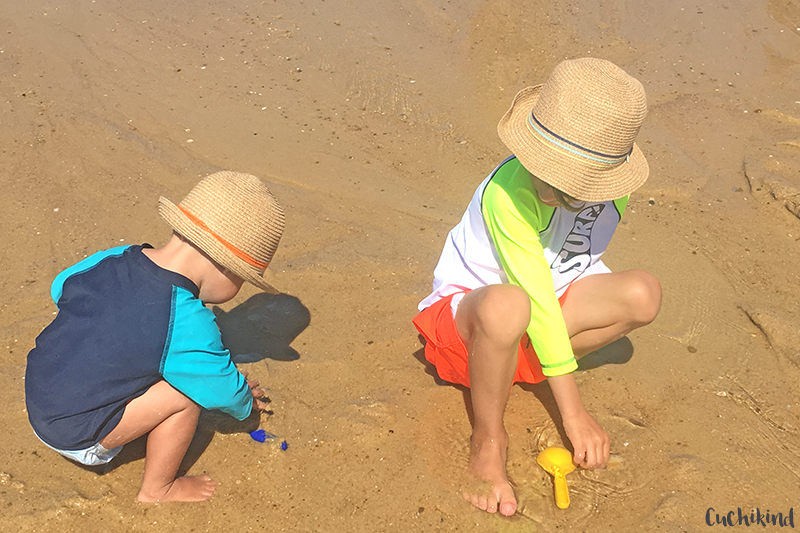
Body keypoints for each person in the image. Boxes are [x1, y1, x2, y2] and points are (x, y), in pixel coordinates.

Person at [413, 58, 662, 516]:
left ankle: (512, 368)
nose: (550, 189)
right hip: (465, 326)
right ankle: (488, 439)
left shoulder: (616, 188)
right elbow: (538, 303)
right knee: (511, 305)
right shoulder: (507, 196)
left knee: (644, 293)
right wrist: (574, 412)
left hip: (532, 317)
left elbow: (568, 265)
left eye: (570, 187)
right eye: (544, 169)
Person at [25, 171, 285, 503]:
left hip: (38, 392)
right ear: (227, 269)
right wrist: (248, 407)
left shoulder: (118, 255)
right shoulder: (188, 321)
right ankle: (158, 489)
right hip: (75, 436)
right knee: (187, 391)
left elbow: (60, 286)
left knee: (143, 351)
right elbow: (224, 393)